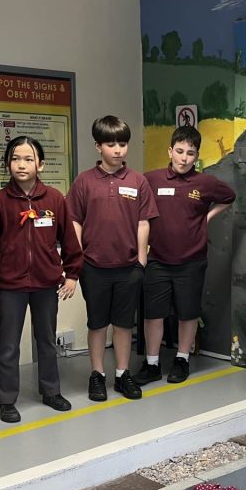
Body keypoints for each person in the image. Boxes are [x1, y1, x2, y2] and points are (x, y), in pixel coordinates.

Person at [0, 136, 82, 423]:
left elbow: (69, 240)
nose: (21, 164)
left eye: (28, 159)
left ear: (41, 164)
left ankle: (51, 391)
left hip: (46, 284)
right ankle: (6, 400)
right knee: (8, 344)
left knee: (47, 340)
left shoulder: (54, 199)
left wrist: (72, 274)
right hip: (10, 285)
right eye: (15, 158)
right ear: (7, 163)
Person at [66, 115, 158, 402]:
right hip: (93, 267)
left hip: (128, 268)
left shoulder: (138, 181)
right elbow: (74, 221)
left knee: (123, 324)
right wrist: (77, 258)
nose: (118, 150)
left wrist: (141, 259)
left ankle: (121, 374)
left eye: (123, 144)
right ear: (98, 146)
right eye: (111, 144)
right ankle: (97, 374)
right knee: (97, 324)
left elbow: (143, 221)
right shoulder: (84, 181)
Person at [134, 126, 235, 385]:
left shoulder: (206, 183)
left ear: (196, 156)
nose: (184, 158)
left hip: (192, 261)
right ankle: (152, 363)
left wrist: (207, 217)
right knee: (153, 314)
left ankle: (182, 359)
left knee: (187, 314)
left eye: (190, 153)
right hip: (157, 260)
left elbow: (229, 197)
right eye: (179, 151)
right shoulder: (151, 179)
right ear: (170, 151)